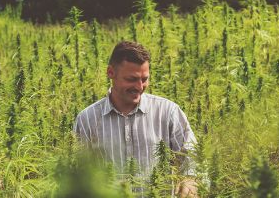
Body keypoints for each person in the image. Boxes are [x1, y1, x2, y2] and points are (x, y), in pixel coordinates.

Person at [73, 41, 198, 197]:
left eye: (144, 79)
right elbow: (78, 176)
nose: (139, 87)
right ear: (111, 72)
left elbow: (192, 159)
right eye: (131, 79)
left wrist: (189, 182)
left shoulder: (168, 112)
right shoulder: (87, 120)